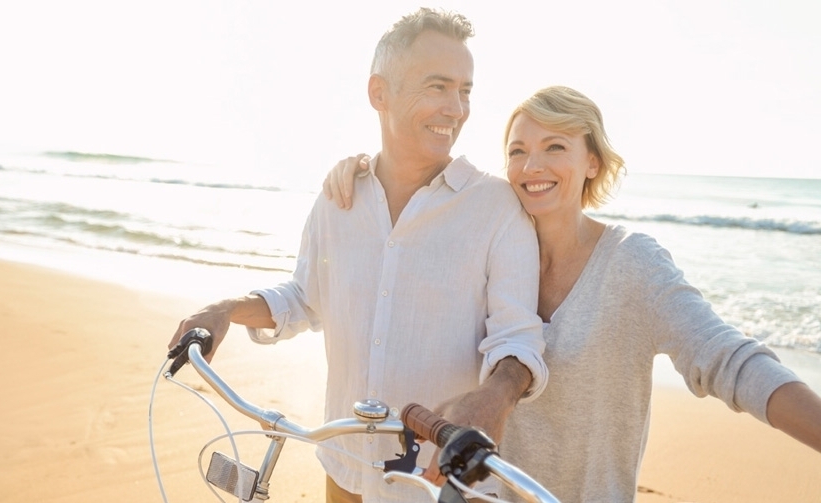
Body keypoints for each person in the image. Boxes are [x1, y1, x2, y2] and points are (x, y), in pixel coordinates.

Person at [322, 85, 821, 502]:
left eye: (555, 147)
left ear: (593, 163)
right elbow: (407, 226)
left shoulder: (632, 263)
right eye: (517, 151)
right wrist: (362, 172)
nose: (531, 165)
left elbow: (727, 360)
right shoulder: (483, 246)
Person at [171, 8, 549, 503]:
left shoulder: (497, 207)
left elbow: (518, 335)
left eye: (465, 90)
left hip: (437, 483)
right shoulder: (339, 198)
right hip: (343, 468)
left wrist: (495, 397)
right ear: (379, 93)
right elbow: (305, 296)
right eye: (437, 87)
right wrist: (224, 309)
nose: (456, 108)